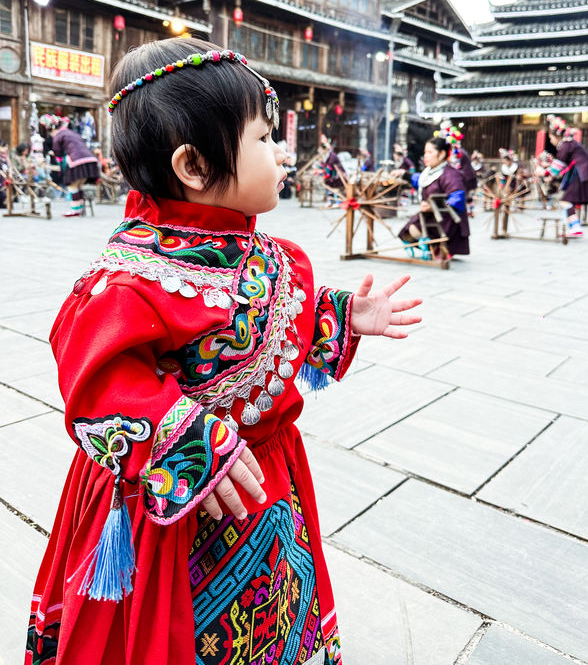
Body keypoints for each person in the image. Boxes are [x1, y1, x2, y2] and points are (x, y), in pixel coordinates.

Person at [25, 38, 422, 665]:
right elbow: (96, 374)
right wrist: (183, 441)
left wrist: (340, 314)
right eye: (263, 139)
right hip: (173, 510)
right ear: (194, 165)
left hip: (268, 481)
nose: (281, 152)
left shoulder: (266, 252)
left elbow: (272, 320)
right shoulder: (133, 276)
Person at [398, 133, 470, 259]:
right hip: (429, 216)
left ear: (442, 154)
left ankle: (437, 247)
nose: (426, 156)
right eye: (425, 152)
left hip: (446, 219)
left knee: (415, 229)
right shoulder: (429, 172)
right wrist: (404, 174)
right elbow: (419, 179)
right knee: (406, 233)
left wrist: (434, 206)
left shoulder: (451, 175)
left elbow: (456, 199)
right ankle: (430, 247)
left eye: (430, 152)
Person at [543, 115, 588, 237]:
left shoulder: (565, 145)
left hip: (581, 175)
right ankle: (572, 226)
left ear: (557, 136)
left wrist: (545, 172)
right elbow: (563, 166)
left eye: (551, 138)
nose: (551, 141)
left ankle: (575, 227)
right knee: (571, 200)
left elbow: (558, 165)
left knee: (565, 200)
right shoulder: (571, 144)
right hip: (584, 174)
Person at [40, 114, 100, 216]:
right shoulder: (72, 133)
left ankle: (75, 210)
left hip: (77, 161)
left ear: (52, 130)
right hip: (90, 159)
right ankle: (80, 209)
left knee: (72, 186)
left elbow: (57, 152)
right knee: (78, 185)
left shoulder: (58, 136)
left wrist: (53, 154)